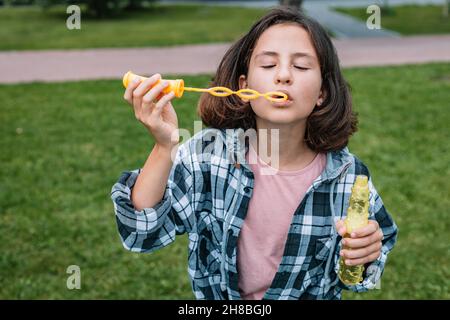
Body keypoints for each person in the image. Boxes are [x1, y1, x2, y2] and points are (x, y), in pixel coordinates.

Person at [111, 6, 398, 300]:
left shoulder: (348, 178)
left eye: (300, 67)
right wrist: (164, 145)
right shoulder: (208, 157)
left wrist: (364, 254)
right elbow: (141, 233)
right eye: (268, 65)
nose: (284, 75)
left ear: (322, 93)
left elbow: (362, 273)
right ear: (243, 87)